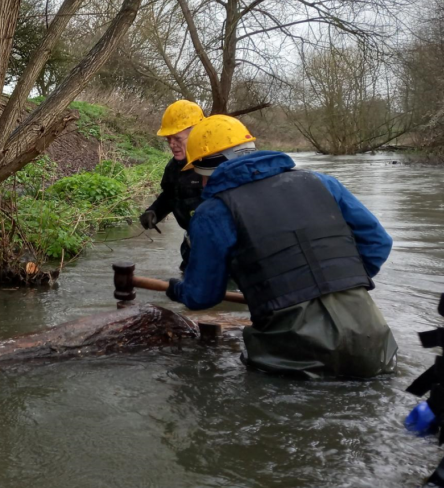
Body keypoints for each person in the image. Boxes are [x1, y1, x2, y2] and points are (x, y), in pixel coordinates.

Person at [165, 115, 397, 378]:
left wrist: (176, 289)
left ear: (208, 166)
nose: (201, 183)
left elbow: (202, 296)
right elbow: (378, 243)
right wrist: (342, 281)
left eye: (199, 174)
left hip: (295, 353)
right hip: (372, 336)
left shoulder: (213, 212)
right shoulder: (322, 182)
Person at [139, 99, 205, 270]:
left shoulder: (213, 166)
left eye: (177, 138)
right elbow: (170, 196)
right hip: (192, 246)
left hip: (221, 251)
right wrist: (154, 211)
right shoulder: (173, 167)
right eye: (168, 139)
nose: (172, 144)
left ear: (196, 133)